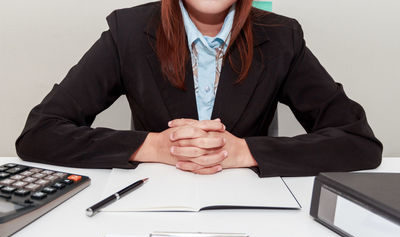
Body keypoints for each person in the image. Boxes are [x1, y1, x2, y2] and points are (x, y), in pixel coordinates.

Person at [16, 0, 383, 177]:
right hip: (149, 208)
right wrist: (155, 145)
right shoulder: (126, 31)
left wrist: (243, 152)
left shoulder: (282, 36)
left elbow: (359, 143)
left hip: (252, 213)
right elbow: (39, 133)